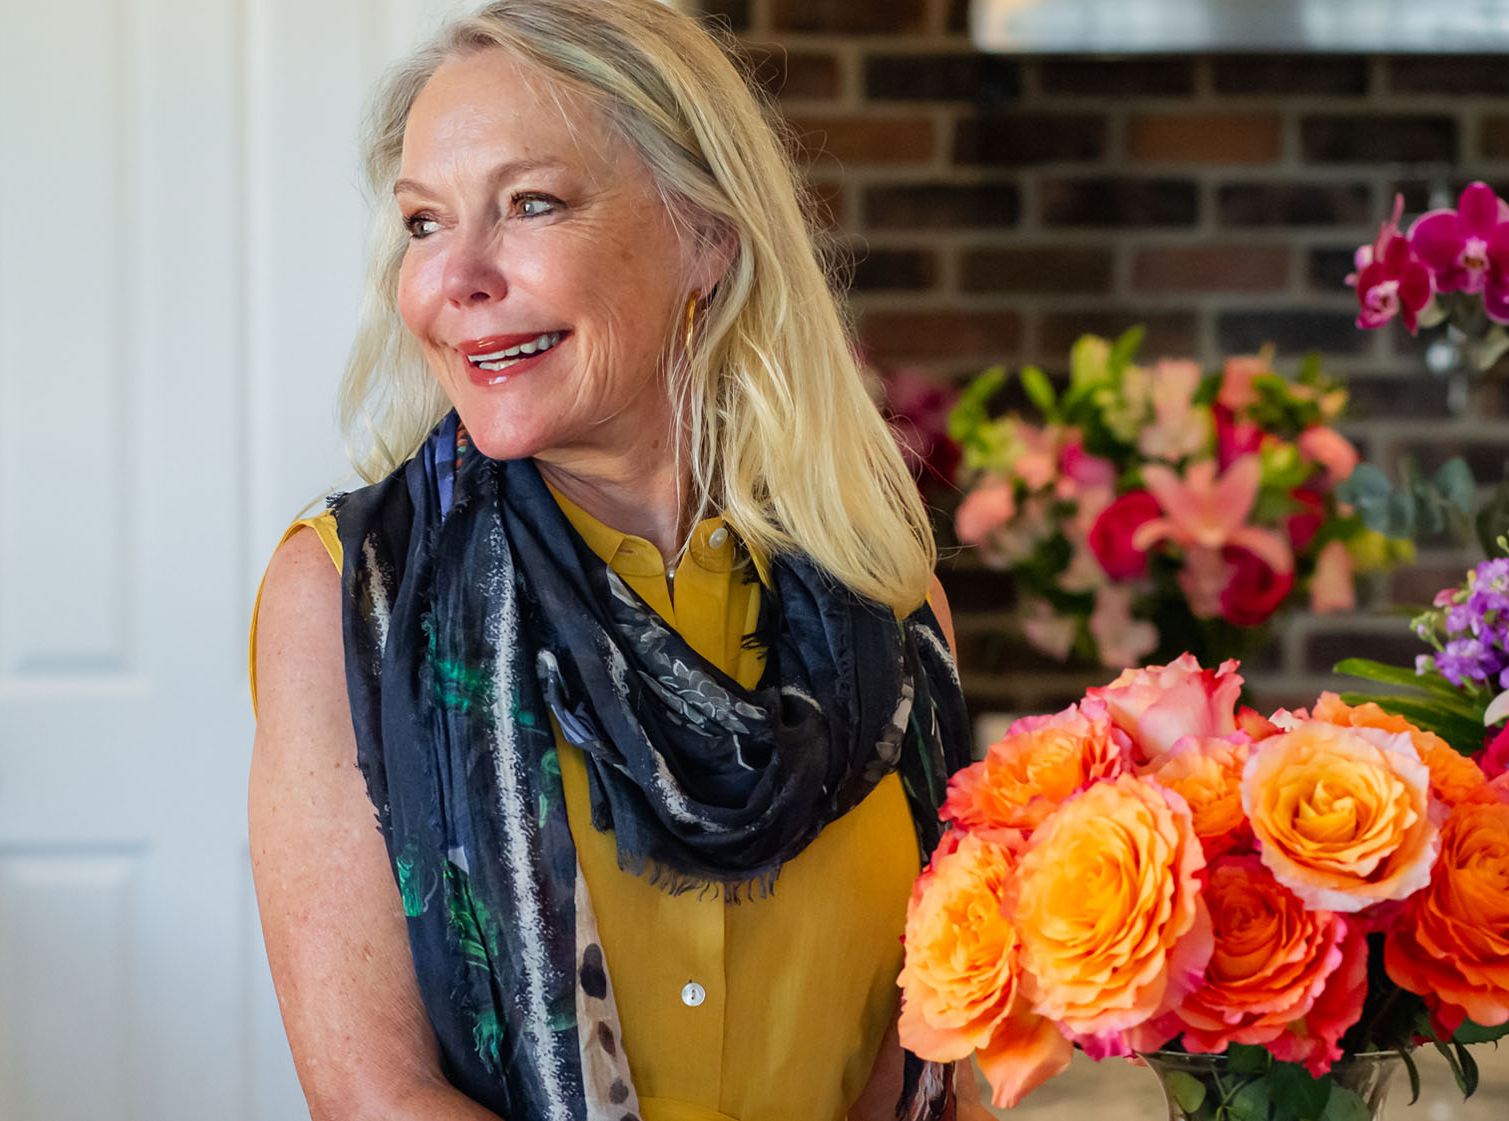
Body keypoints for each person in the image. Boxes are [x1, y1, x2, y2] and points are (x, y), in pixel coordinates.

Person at [246, 2, 981, 1118]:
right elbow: (372, 1094)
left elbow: (937, 1046)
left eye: (530, 203)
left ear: (706, 233)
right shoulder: (347, 598)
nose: (457, 278)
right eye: (423, 222)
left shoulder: (884, 594)